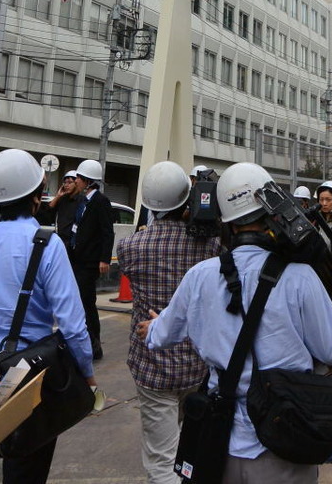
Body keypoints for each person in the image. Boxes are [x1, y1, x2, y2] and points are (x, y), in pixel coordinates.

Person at [138, 161, 332, 483]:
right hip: (282, 438)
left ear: (226, 220)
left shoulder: (200, 276)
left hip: (219, 442)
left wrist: (151, 327)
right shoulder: (300, 277)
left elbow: (160, 335)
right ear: (275, 212)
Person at [0, 149, 94, 484]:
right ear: (36, 197)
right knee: (26, 469)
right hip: (25, 375)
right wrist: (87, 374)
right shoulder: (47, 244)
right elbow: (72, 324)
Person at [117, 160, 221, 484]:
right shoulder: (212, 246)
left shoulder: (131, 246)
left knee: (161, 457)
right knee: (191, 447)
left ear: (148, 203)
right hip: (197, 364)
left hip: (153, 365)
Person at [69, 159, 115, 361]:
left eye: (78, 178)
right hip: (76, 258)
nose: (75, 181)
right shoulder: (81, 201)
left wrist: (105, 258)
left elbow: (107, 232)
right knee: (77, 301)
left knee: (87, 302)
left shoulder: (100, 201)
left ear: (88, 181)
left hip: (90, 262)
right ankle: (80, 341)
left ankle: (95, 345)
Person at [37, 170, 79, 251]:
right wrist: (57, 196)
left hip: (73, 243)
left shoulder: (81, 201)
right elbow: (47, 211)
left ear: (76, 183)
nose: (66, 185)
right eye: (65, 182)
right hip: (60, 240)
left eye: (70, 182)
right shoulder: (62, 199)